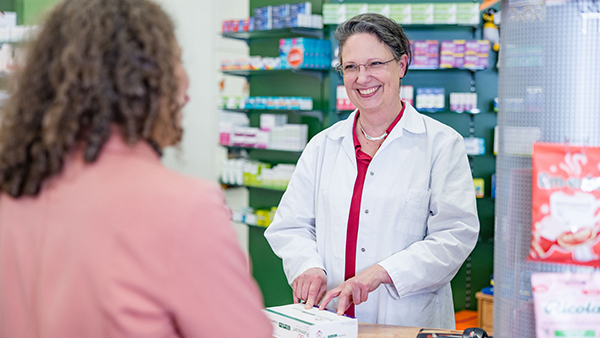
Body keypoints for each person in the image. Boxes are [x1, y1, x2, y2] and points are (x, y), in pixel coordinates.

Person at [0, 0, 272, 337]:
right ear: (143, 82)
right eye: (176, 61)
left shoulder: (13, 187)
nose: (186, 86)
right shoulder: (185, 208)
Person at [264, 13, 479, 329]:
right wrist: (307, 267)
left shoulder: (441, 144)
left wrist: (380, 273)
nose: (362, 78)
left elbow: (454, 237)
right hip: (329, 319)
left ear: (402, 65)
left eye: (375, 64)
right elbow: (290, 226)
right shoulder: (323, 145)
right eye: (351, 67)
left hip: (407, 322)